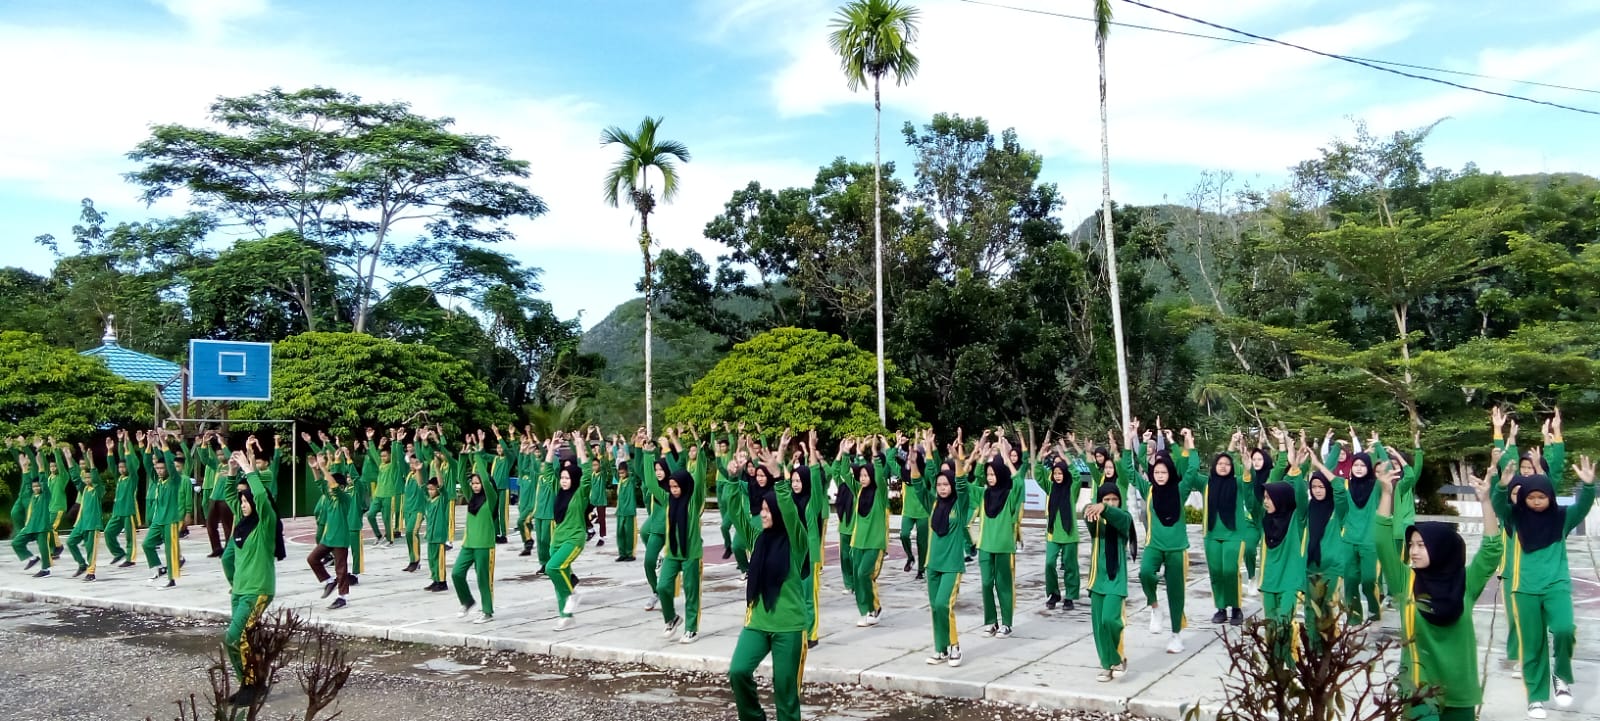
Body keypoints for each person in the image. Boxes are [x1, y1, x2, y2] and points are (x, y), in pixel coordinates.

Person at [1378, 455, 1504, 721]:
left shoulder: (1466, 582)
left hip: (1460, 690)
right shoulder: (1405, 581)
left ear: (1441, 548)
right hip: (1419, 689)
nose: (1413, 551)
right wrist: (1387, 494)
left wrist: (1485, 501)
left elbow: (1492, 550)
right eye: (1412, 545)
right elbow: (1381, 542)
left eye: (1421, 545)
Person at [1494, 445, 1595, 718]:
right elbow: (1497, 504)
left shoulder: (1562, 518)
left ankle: (1561, 676)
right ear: (1524, 498)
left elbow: (1583, 506)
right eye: (1532, 497)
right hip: (1524, 590)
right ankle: (1536, 697)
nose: (1537, 501)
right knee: (1533, 644)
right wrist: (1502, 486)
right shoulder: (1514, 518)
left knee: (1563, 629)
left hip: (1556, 586)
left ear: (1551, 497)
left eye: (1542, 496)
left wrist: (1589, 486)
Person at [728, 434, 810, 721]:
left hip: (789, 626)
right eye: (761, 508)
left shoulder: (796, 542)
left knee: (785, 692)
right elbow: (735, 512)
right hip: (758, 622)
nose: (762, 513)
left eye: (766, 509)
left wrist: (779, 478)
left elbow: (789, 511)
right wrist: (731, 479)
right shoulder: (757, 538)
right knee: (738, 671)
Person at [1135, 428, 1204, 652]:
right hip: (1154, 545)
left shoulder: (1180, 489)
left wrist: (1189, 442)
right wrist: (1134, 441)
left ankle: (1176, 635)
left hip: (1176, 549)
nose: (1160, 475)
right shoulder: (1149, 489)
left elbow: (1193, 469)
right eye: (1157, 472)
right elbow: (1128, 469)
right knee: (1145, 573)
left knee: (1176, 592)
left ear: (1170, 473)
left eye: (1164, 472)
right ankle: (1155, 607)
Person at [223, 450, 277, 707]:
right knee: (239, 640)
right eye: (241, 502)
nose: (243, 504)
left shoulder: (264, 524)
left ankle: (251, 685)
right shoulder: (241, 527)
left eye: (246, 501)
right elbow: (229, 495)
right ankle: (249, 682)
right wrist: (232, 471)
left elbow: (261, 498)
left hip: (258, 590)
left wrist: (248, 468)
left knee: (236, 636)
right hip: (240, 591)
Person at [922, 438, 974, 667]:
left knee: (944, 604)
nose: (942, 488)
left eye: (946, 484)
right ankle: (940, 648)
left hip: (952, 565)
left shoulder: (959, 506)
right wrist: (923, 455)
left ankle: (954, 647)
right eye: (939, 485)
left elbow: (962, 486)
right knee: (935, 607)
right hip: (933, 564)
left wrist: (957, 460)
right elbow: (917, 485)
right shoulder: (934, 505)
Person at [975, 430, 1025, 638]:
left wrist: (1005, 458)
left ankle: (1006, 622)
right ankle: (991, 621)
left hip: (1004, 546)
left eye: (993, 474)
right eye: (989, 474)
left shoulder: (1009, 495)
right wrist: (982, 459)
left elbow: (1019, 482)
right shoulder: (983, 493)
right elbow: (971, 480)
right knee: (986, 584)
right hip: (985, 545)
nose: (990, 477)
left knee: (1003, 585)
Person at [653, 461, 708, 643]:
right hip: (672, 553)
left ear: (684, 485)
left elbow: (699, 477)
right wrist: (645, 452)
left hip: (691, 554)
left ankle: (691, 629)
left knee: (691, 592)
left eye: (676, 486)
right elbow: (651, 482)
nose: (674, 490)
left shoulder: (694, 500)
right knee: (662, 587)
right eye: (671, 487)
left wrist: (700, 449)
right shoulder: (669, 500)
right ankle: (672, 618)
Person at [1200, 431, 1250, 625]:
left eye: (1227, 464)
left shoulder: (1237, 483)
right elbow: (1189, 470)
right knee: (1216, 572)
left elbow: (1247, 476)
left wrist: (1237, 448)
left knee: (1230, 571)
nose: (1223, 466)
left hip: (1234, 535)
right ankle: (1220, 608)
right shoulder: (1207, 483)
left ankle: (1236, 608)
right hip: (1211, 535)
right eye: (1220, 463)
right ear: (1214, 466)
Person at [1084, 480, 1131, 682]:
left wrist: (1105, 508)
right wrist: (1095, 509)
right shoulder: (1095, 519)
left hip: (1116, 579)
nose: (1111, 503)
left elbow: (1120, 519)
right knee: (1099, 626)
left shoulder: (1124, 517)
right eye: (1106, 499)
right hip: (1097, 578)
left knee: (1110, 620)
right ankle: (1107, 664)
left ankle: (1118, 658)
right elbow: (1088, 515)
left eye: (1114, 499)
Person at [544, 434, 592, 630]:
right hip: (557, 539)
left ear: (574, 479)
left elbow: (587, 472)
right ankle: (566, 615)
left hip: (574, 539)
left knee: (552, 568)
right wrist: (551, 450)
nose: (564, 481)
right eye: (562, 477)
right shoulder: (558, 490)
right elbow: (547, 472)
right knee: (558, 577)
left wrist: (580, 445)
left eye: (567, 478)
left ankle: (572, 594)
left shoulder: (580, 493)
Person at [842, 436, 890, 627]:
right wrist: (846, 453)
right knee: (857, 577)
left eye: (865, 476)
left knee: (864, 574)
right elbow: (845, 474)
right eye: (861, 476)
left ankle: (875, 609)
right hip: (858, 542)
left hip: (874, 542)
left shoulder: (880, 494)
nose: (863, 479)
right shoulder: (859, 491)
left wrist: (876, 455)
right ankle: (866, 611)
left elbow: (879, 475)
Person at [305, 455, 353, 609]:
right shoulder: (329, 498)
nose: (330, 488)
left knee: (341, 568)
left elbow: (332, 485)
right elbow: (321, 483)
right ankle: (328, 580)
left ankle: (342, 597)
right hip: (328, 537)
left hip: (340, 538)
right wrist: (314, 468)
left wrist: (324, 467)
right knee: (312, 559)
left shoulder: (345, 498)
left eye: (333, 485)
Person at [453, 471, 499, 624]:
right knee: (456, 573)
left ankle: (487, 612)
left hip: (484, 545)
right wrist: (464, 455)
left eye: (477, 483)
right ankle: (467, 601)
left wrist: (479, 454)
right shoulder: (471, 498)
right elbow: (460, 477)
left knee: (483, 579)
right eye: (473, 483)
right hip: (469, 544)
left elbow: (486, 481)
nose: (475, 486)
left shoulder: (491, 499)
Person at [65, 445, 105, 581]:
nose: (88, 480)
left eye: (89, 477)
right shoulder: (85, 489)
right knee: (70, 542)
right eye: (86, 478)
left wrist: (91, 460)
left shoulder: (98, 490)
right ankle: (82, 564)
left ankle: (91, 572)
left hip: (93, 524)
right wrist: (69, 459)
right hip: (82, 523)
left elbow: (96, 477)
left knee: (90, 550)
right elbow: (76, 478)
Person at [104, 433, 142, 568]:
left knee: (129, 536)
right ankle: (118, 553)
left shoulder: (132, 478)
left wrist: (126, 448)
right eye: (120, 467)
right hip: (117, 512)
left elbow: (131, 465)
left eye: (123, 467)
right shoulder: (119, 478)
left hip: (128, 511)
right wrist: (110, 450)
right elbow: (112, 466)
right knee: (108, 532)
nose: (121, 469)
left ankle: (130, 558)